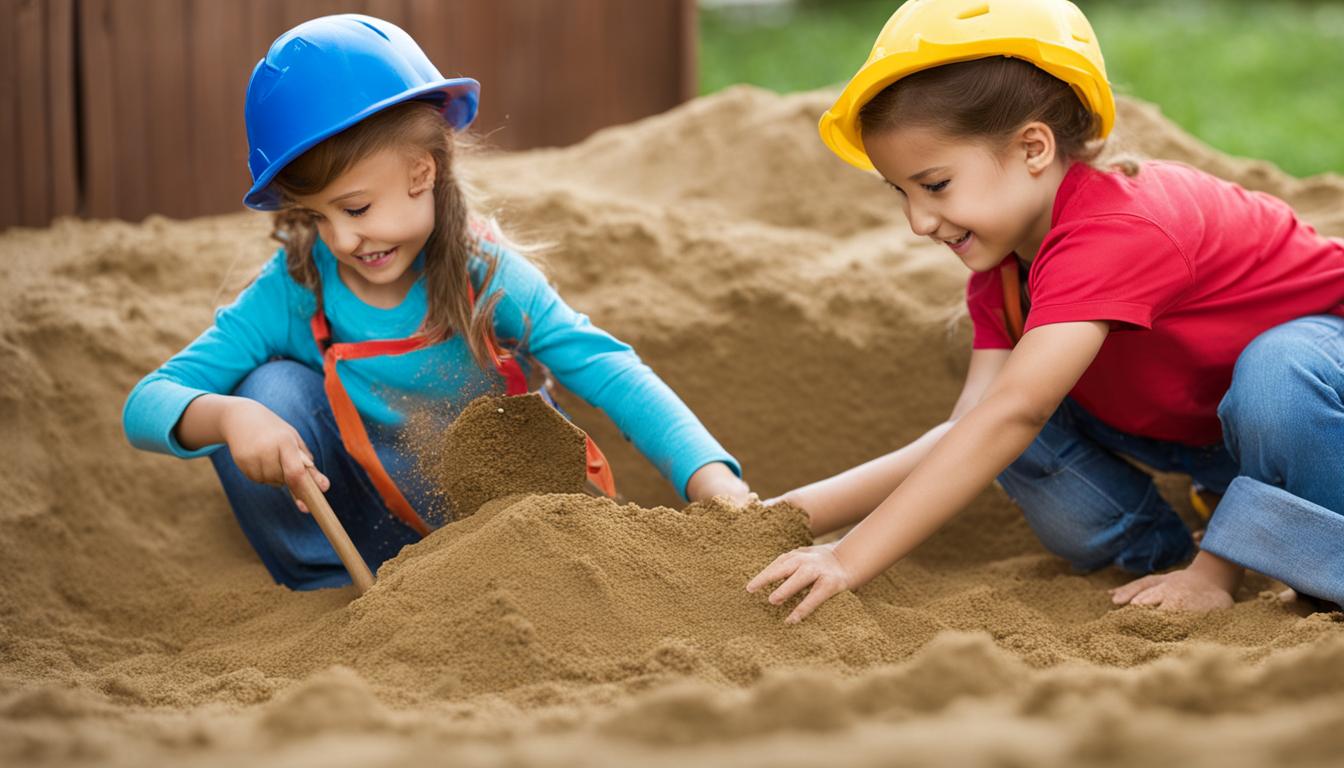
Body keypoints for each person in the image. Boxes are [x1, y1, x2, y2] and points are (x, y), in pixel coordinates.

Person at [747, 0, 1344, 622]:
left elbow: (1019, 411)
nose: (918, 221)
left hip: (1324, 396)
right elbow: (970, 430)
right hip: (1198, 431)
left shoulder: (1118, 227)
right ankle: (1171, 553)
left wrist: (847, 561)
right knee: (994, 434)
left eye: (935, 185)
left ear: (1034, 147)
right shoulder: (1003, 270)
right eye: (901, 192)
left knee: (1278, 371)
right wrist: (789, 516)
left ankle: (1297, 562)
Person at [122, 14, 749, 590]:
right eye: (314, 217)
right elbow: (147, 403)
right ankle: (322, 596)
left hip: (514, 539)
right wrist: (231, 418)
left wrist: (713, 482)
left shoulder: (486, 273)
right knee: (267, 391)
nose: (340, 239)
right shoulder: (296, 288)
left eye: (356, 208)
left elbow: (608, 370)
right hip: (364, 548)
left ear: (422, 172)